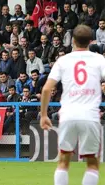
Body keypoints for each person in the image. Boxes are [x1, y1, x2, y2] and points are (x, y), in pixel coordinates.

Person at [40, 25, 105, 185]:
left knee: (63, 160)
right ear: (91, 41)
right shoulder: (99, 59)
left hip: (68, 115)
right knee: (92, 163)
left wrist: (43, 115)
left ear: (73, 41)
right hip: (90, 116)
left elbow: (47, 88)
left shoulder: (63, 60)